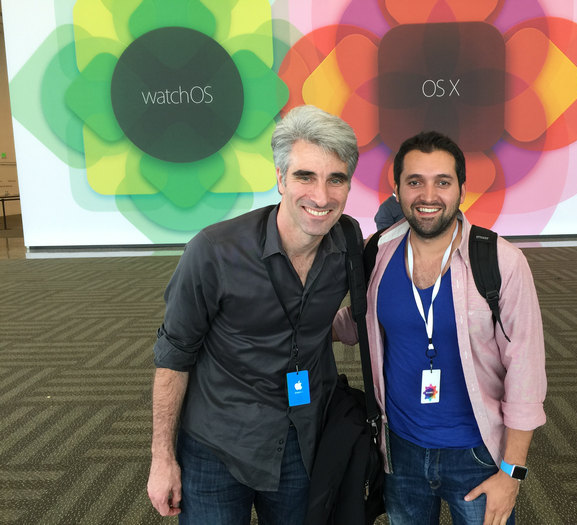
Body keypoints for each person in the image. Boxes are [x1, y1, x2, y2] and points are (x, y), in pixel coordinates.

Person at [147, 105, 359, 525]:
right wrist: (162, 458)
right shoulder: (214, 252)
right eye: (305, 176)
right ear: (280, 179)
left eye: (336, 179)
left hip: (302, 439)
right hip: (219, 444)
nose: (321, 197)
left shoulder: (348, 243)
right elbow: (174, 356)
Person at [334, 131, 547, 525]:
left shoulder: (501, 262)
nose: (428, 195)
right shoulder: (377, 252)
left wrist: (511, 474)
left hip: (478, 454)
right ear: (397, 190)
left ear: (462, 189)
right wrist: (295, 324)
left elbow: (526, 375)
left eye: (442, 182)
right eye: (415, 181)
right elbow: (362, 321)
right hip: (400, 451)